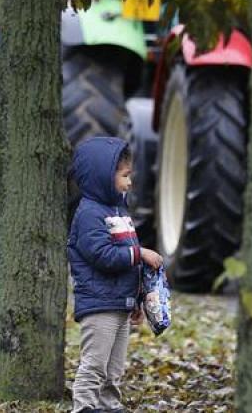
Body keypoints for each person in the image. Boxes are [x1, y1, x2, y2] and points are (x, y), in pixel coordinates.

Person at [67, 136, 163, 413]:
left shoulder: (119, 211)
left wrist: (135, 300)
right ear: (103, 177)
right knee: (95, 362)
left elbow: (127, 261)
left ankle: (110, 406)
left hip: (119, 303)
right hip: (98, 305)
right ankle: (83, 407)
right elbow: (103, 256)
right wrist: (140, 253)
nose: (130, 182)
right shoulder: (89, 214)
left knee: (114, 368)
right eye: (125, 176)